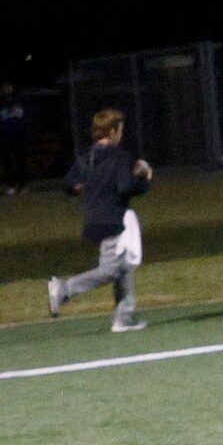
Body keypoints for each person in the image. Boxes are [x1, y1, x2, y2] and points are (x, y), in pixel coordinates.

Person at [44, 108, 152, 332]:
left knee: (123, 265)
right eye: (120, 129)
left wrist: (88, 186)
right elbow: (126, 188)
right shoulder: (121, 157)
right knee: (111, 269)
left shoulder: (87, 157)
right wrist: (144, 179)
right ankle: (64, 289)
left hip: (93, 219)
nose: (121, 134)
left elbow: (69, 184)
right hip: (113, 217)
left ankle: (124, 316)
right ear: (112, 131)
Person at [0, 84, 31, 194]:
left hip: (20, 135)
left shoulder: (20, 101)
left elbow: (25, 117)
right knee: (8, 161)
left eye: (9, 86)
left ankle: (23, 184)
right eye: (5, 87)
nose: (7, 89)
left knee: (21, 160)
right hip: (6, 136)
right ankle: (11, 185)